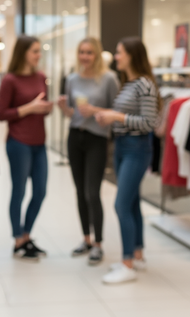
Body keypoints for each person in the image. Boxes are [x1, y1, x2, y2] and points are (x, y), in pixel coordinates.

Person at [95, 37, 159, 284]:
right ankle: (138, 255)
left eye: (120, 52)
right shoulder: (128, 83)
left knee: (121, 205)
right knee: (131, 204)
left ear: (132, 55)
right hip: (122, 146)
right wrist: (111, 118)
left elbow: (148, 122)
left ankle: (127, 263)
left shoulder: (144, 84)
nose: (116, 56)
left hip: (136, 148)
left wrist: (116, 116)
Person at [58, 37, 119, 265]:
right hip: (75, 137)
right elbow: (71, 114)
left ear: (97, 54)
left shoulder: (108, 79)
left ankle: (99, 243)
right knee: (79, 191)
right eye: (82, 52)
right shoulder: (72, 79)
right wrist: (65, 108)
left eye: (89, 52)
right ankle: (86, 238)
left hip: (97, 138)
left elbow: (117, 111)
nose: (85, 56)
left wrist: (94, 110)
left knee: (92, 192)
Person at [0, 35, 53, 261]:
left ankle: (26, 235)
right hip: (18, 142)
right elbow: (2, 114)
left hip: (39, 142)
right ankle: (18, 239)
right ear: (23, 53)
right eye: (35, 51)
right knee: (19, 192)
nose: (39, 55)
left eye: (40, 51)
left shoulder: (41, 76)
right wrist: (30, 108)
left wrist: (47, 108)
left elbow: (43, 108)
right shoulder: (9, 80)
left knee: (40, 192)